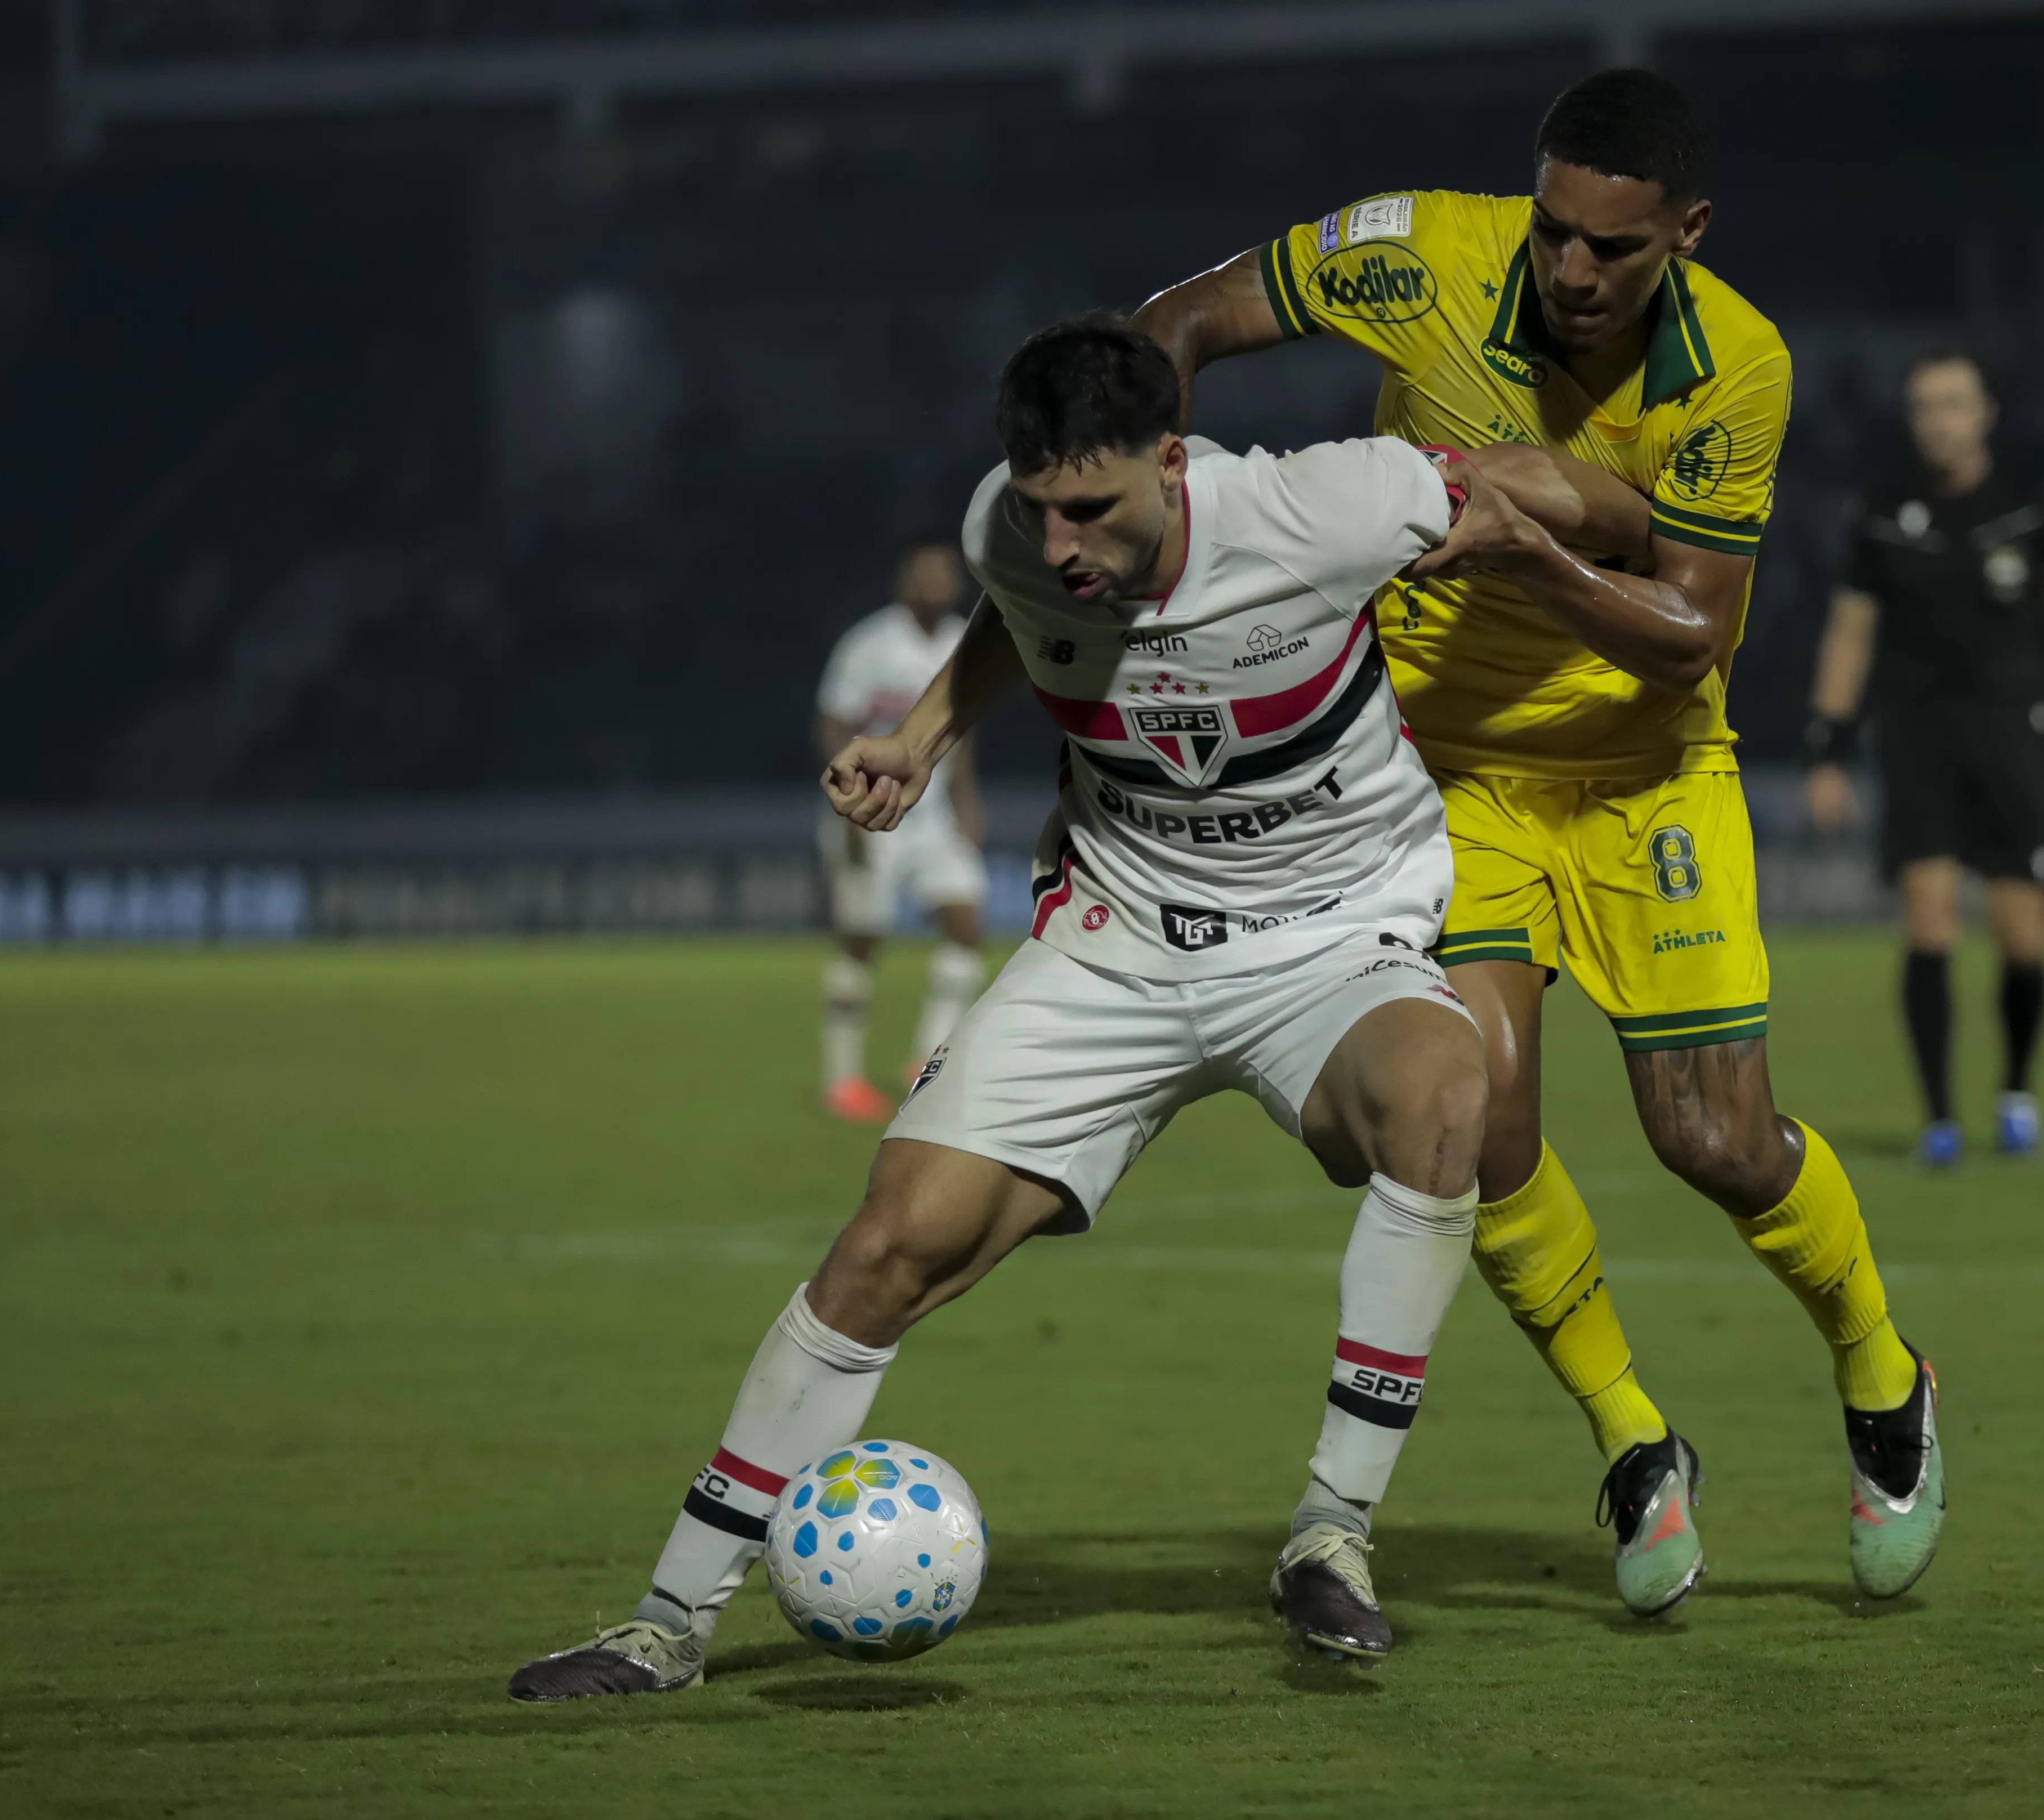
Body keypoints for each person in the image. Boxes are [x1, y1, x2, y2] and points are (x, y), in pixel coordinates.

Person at [508, 317, 1521, 1697]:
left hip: (1329, 937)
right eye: (1039, 506)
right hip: (1116, 945)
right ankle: (668, 1617)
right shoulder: (1013, 530)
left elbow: (1538, 488)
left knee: (1446, 1094)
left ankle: (1329, 1529)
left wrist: (1663, 537)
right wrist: (924, 734)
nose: (1059, 539)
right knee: (887, 1243)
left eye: (1091, 507)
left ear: (1173, 460)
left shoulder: (1327, 499)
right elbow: (1023, 615)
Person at [1135, 68, 1943, 1616]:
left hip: (1647, 776)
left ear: (1685, 235)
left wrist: (1521, 539)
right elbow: (1177, 322)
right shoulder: (1422, 255)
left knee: (1711, 1142)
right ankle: (1636, 1438)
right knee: (1475, 1128)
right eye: (1557, 233)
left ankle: (1880, 1370)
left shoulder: (1739, 368)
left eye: (1614, 252)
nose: (1572, 272)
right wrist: (1163, 538)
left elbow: (1689, 638)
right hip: (1443, 782)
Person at [1802, 350, 2044, 1167]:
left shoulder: (2029, 510)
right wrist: (1828, 747)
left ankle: (2015, 1089)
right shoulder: (1881, 513)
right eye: (1924, 406)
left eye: (1953, 403)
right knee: (1929, 923)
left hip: (2017, 732)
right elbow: (1850, 630)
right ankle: (1939, 1117)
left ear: (1986, 413)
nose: (1938, 419)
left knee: (2023, 940)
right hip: (1916, 737)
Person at [814, 543, 990, 1123]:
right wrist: (849, 808)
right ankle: (841, 1079)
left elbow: (960, 731)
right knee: (863, 940)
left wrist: (966, 801)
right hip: (872, 812)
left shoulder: (963, 639)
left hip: (933, 816)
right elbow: (835, 720)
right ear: (904, 581)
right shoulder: (871, 644)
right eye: (925, 573)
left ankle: (925, 1058)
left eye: (945, 574)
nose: (936, 582)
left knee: (966, 926)